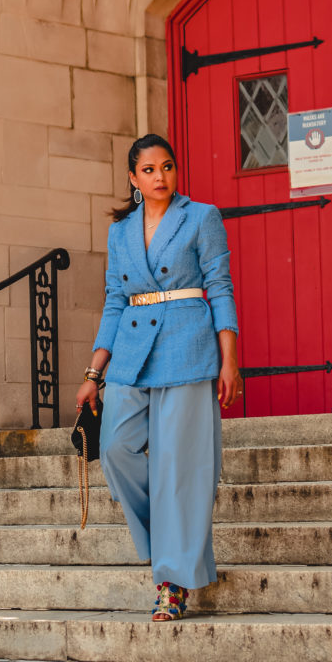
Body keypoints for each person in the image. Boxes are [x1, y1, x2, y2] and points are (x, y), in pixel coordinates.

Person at [75, 134, 242, 621]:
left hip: (188, 347)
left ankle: (172, 582)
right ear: (133, 179)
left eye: (167, 167)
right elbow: (113, 301)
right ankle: (172, 537)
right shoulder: (120, 232)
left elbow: (220, 287)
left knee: (179, 468)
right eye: (149, 170)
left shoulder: (202, 217)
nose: (160, 177)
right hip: (131, 353)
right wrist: (93, 372)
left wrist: (229, 358)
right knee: (115, 449)